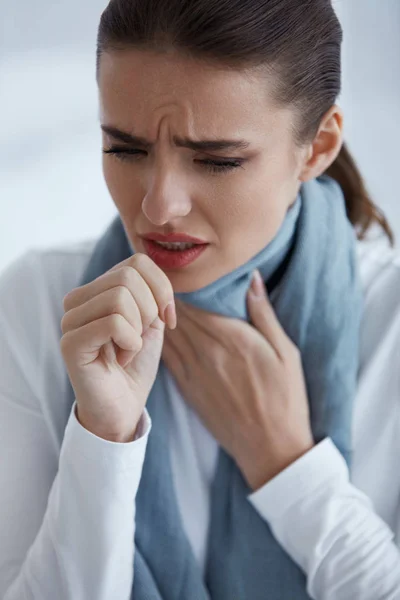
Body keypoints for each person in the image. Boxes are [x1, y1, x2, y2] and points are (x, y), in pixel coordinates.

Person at [1, 0, 400, 598]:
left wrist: (287, 465)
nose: (158, 207)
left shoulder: (391, 322)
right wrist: (101, 438)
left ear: (317, 148)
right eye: (126, 150)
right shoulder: (38, 304)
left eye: (217, 161)